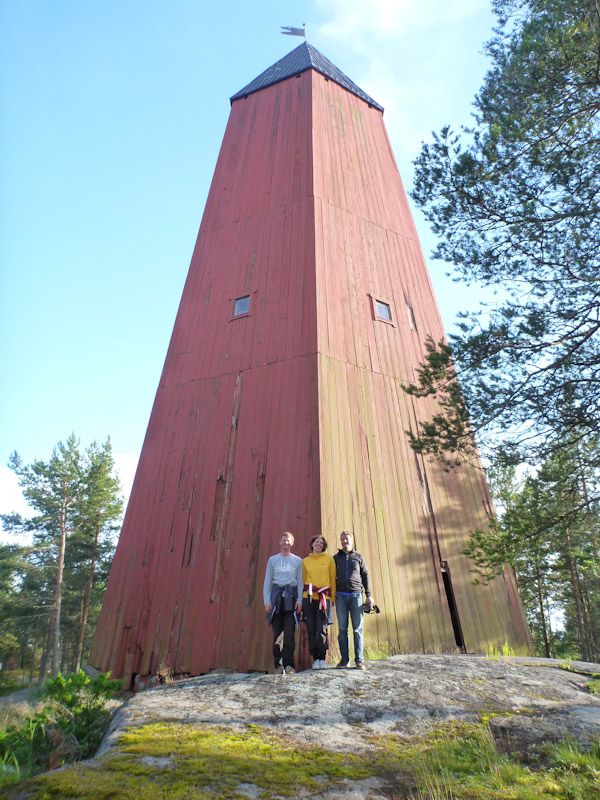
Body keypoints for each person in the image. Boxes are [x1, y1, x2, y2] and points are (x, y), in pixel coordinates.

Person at [333, 530, 374, 670]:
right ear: (340, 541)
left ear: (352, 540)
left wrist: (369, 595)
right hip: (340, 596)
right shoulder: (335, 558)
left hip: (356, 595)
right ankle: (344, 660)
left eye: (347, 539)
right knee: (342, 629)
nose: (345, 541)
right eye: (342, 539)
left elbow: (365, 575)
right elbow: (332, 577)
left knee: (357, 629)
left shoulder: (358, 557)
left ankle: (359, 661)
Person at [263, 531, 303, 675]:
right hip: (277, 597)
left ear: (292, 543)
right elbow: (267, 582)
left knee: (290, 632)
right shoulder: (272, 560)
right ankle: (278, 665)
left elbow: (300, 582)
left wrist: (300, 600)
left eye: (288, 540)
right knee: (277, 632)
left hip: (291, 598)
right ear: (280, 542)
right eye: (283, 540)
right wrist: (266, 600)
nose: (286, 542)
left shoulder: (298, 561)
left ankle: (289, 665)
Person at [302, 535, 336, 669]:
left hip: (324, 598)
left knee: (322, 628)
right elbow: (302, 580)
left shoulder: (329, 559)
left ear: (323, 546)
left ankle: (322, 657)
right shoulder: (305, 561)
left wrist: (332, 598)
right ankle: (315, 658)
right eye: (316, 542)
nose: (318, 544)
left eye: (321, 543)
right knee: (311, 629)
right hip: (308, 598)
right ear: (312, 544)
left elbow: (333, 579)